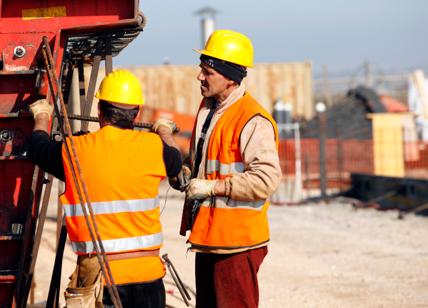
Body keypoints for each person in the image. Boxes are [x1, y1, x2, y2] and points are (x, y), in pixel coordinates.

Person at [28, 69, 181, 307]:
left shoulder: (76, 150)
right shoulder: (153, 147)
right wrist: (163, 129)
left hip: (103, 280)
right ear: (136, 113)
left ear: (100, 111)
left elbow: (38, 149)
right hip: (149, 278)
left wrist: (41, 116)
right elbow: (175, 159)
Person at [174, 29, 282, 308]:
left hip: (237, 244)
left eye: (207, 72)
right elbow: (206, 159)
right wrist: (188, 171)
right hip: (209, 237)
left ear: (230, 77)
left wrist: (212, 187)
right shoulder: (209, 108)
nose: (200, 77)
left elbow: (266, 179)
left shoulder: (252, 119)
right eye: (201, 69)